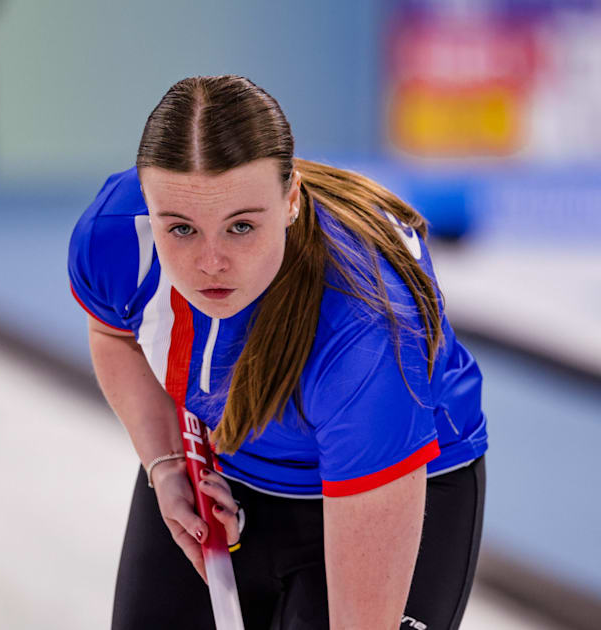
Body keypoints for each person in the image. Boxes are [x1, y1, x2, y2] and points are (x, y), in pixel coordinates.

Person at [69, 76, 488, 629]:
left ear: (290, 199)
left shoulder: (364, 330)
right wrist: (167, 464)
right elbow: (114, 334)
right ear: (148, 206)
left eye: (241, 226)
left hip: (393, 479)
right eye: (182, 229)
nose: (211, 262)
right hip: (227, 466)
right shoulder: (115, 237)